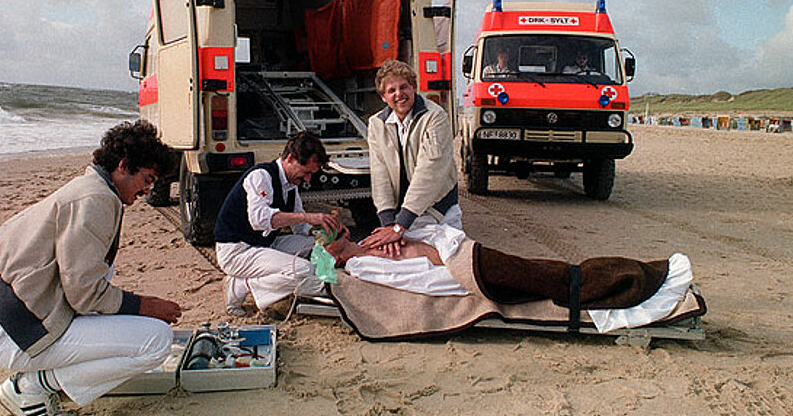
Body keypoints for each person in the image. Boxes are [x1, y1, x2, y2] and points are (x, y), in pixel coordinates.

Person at [0, 120, 182, 416]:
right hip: (14, 335)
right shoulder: (95, 200)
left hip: (8, 318)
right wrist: (147, 306)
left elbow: (82, 284)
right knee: (156, 340)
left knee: (132, 321)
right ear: (124, 166)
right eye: (147, 179)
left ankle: (41, 378)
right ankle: (31, 388)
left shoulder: (91, 188)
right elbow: (85, 294)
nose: (148, 191)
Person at [326, 225, 693, 332]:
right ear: (335, 258)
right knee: (548, 280)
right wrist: (457, 273)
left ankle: (635, 276)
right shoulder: (362, 267)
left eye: (337, 235)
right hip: (470, 274)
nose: (340, 238)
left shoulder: (373, 242)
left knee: (546, 270)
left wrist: (409, 236)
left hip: (469, 256)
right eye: (333, 244)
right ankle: (631, 283)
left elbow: (437, 235)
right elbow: (422, 280)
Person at [214, 130, 346, 316]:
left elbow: (301, 229)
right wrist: (309, 217)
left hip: (264, 244)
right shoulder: (261, 176)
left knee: (317, 247)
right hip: (237, 250)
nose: (308, 179)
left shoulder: (291, 185)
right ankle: (241, 285)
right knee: (302, 270)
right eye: (306, 172)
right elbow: (259, 220)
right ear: (290, 158)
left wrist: (328, 232)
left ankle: (315, 286)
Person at [363, 59, 460, 257]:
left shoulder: (435, 117)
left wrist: (400, 227)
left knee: (445, 261)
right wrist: (388, 224)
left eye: (404, 87)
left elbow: (429, 173)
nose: (399, 94)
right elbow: (380, 175)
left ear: (414, 87)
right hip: (404, 214)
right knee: (389, 255)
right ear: (383, 97)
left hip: (437, 208)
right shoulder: (376, 124)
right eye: (391, 91)